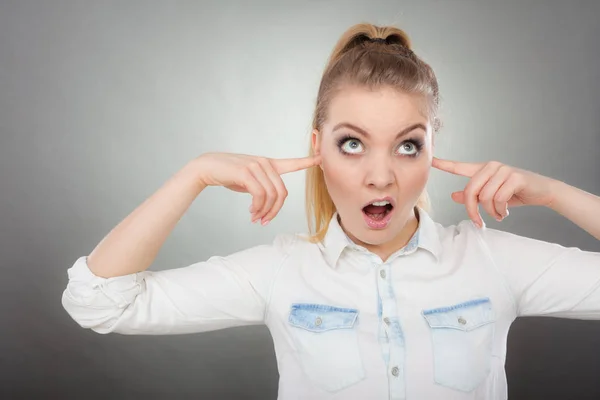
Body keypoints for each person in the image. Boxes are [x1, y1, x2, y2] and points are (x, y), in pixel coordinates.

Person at [61, 23, 600, 400]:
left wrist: (554, 193)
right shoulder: (282, 272)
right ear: (317, 146)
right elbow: (99, 303)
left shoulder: (490, 260)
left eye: (408, 145)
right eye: (352, 143)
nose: (381, 175)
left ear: (434, 149)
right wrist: (193, 175)